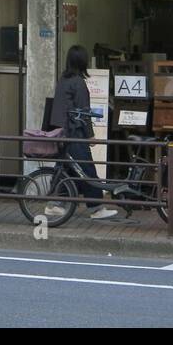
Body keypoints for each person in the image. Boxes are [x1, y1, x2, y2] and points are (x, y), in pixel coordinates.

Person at [50, 45, 119, 221]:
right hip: (74, 133)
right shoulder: (78, 83)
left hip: (61, 132)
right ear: (82, 62)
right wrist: (90, 135)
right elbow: (84, 112)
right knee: (87, 169)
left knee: (66, 168)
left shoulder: (63, 80)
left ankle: (56, 204)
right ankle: (96, 208)